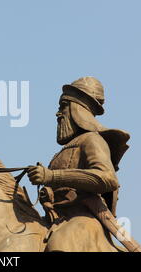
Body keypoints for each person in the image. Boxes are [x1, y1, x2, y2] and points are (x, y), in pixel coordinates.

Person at [27, 76, 130, 252]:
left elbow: (108, 178)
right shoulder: (62, 152)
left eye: (62, 107)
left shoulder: (92, 140)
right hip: (57, 219)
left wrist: (52, 176)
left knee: (61, 244)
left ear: (77, 109)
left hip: (83, 220)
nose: (58, 114)